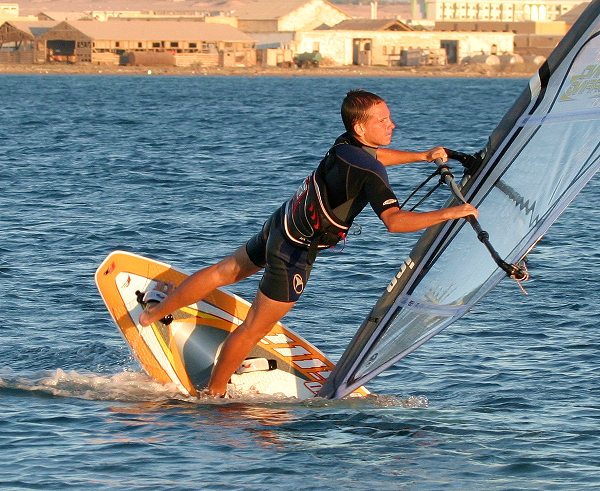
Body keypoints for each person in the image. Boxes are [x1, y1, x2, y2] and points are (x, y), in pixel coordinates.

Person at [139, 89, 478, 397]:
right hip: (294, 252)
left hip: (281, 223)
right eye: (383, 120)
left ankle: (152, 314)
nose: (392, 124)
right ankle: (213, 395)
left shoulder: (345, 144)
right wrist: (452, 213)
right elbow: (395, 222)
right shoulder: (371, 174)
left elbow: (375, 158)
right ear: (361, 128)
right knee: (255, 327)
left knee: (223, 272)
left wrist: (420, 156)